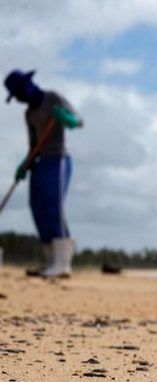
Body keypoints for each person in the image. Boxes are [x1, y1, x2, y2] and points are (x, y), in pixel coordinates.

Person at [4, 69, 83, 278]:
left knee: (52, 205)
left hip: (58, 159)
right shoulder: (29, 114)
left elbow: (78, 121)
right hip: (40, 161)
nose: (19, 99)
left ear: (27, 86)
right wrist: (25, 165)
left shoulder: (52, 98)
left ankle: (63, 264)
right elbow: (33, 145)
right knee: (37, 206)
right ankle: (49, 262)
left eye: (18, 94)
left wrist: (65, 117)